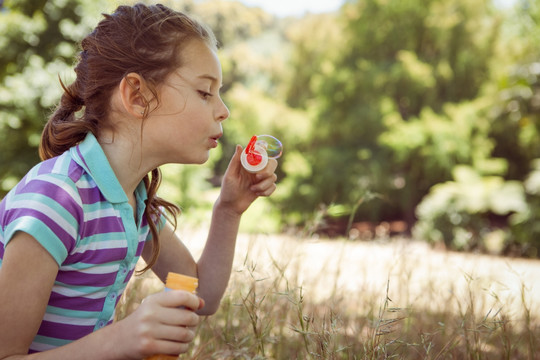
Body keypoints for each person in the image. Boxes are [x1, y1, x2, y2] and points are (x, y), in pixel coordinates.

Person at [0, 3, 278, 359]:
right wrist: (122, 339)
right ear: (137, 96)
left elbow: (201, 293)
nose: (223, 110)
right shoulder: (57, 198)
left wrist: (228, 208)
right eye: (205, 92)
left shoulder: (135, 202)